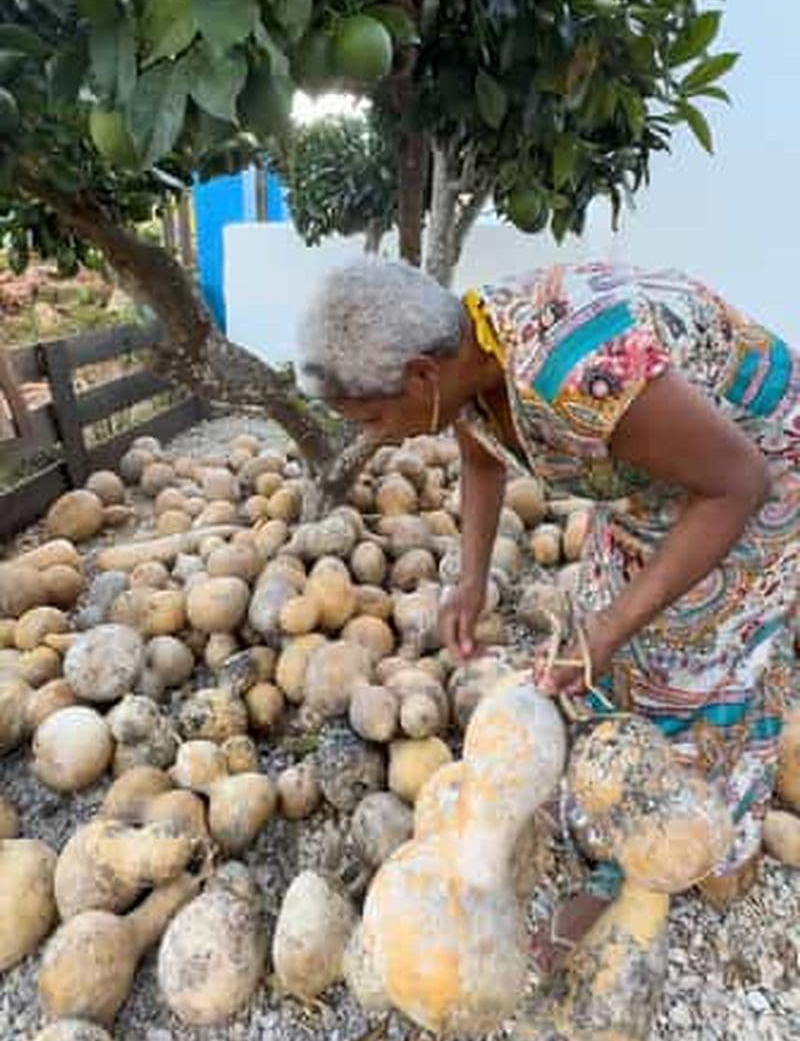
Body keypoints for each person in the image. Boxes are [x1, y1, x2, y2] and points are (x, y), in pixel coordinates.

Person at [297, 256, 799, 971]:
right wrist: (469, 580)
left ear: (419, 377)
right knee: (605, 630)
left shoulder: (575, 370)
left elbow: (736, 483)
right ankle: (613, 802)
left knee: (692, 657)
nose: (377, 436)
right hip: (657, 478)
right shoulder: (470, 349)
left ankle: (668, 852)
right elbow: (483, 461)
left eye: (374, 418)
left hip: (759, 465)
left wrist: (612, 629)